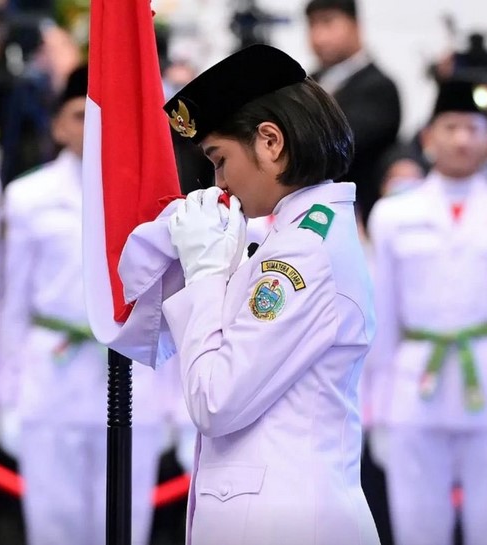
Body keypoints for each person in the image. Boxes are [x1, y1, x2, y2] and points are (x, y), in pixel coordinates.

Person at [157, 43, 379, 545]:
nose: (220, 183)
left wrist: (207, 274)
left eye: (219, 159)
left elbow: (215, 400)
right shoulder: (292, 235)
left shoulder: (299, 253)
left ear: (271, 141)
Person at [366, 79, 487, 545]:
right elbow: (380, 320)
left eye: (473, 127)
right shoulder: (392, 215)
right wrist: (376, 411)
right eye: (451, 126)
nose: (462, 138)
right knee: (417, 531)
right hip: (413, 391)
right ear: (428, 137)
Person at [0, 64, 166, 545]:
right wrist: (9, 395)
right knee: (54, 524)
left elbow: (169, 301)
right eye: (79, 115)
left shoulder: (151, 198)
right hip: (51, 370)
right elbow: (13, 300)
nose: (90, 127)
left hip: (134, 367)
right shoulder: (28, 196)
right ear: (58, 125)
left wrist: (177, 400)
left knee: (128, 522)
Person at [305, 0, 401, 225]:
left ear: (356, 26)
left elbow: (344, 144)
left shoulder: (380, 87)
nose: (319, 36)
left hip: (360, 215)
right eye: (312, 25)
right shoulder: (306, 82)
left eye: (328, 23)